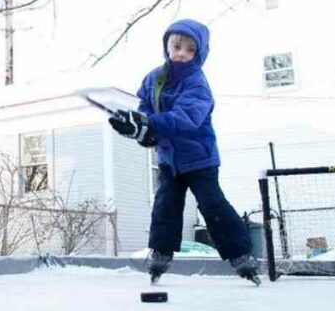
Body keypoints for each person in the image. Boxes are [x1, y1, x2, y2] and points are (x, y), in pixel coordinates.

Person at [108, 18, 260, 285]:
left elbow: (185, 117)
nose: (181, 53)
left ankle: (242, 256)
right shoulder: (154, 78)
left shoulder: (197, 83)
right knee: (166, 204)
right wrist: (140, 129)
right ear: (167, 45)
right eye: (177, 46)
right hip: (169, 160)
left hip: (200, 158)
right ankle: (160, 254)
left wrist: (150, 124)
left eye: (189, 50)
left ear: (198, 54)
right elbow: (145, 107)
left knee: (212, 204)